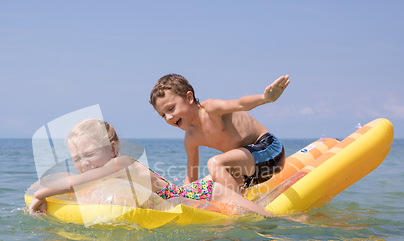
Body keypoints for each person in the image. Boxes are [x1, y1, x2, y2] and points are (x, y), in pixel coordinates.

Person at [28, 119, 271, 216]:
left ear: (113, 149)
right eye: (77, 158)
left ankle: (292, 220)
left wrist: (41, 193)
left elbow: (75, 182)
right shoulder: (102, 177)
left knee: (269, 221)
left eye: (90, 154)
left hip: (206, 195)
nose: (84, 163)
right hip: (188, 193)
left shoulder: (121, 163)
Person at [149, 74, 289, 194]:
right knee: (205, 185)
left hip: (271, 152)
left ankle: (240, 211)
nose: (168, 117)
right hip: (248, 172)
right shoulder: (191, 138)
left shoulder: (211, 109)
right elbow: (191, 179)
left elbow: (241, 104)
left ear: (189, 97)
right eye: (163, 115)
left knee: (215, 163)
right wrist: (182, 199)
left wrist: (265, 98)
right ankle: (236, 207)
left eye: (171, 109)